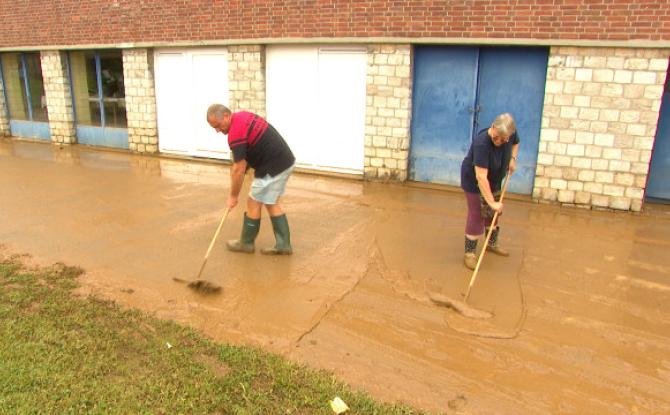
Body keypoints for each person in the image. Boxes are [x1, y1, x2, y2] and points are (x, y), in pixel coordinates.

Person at [206, 104, 296, 255]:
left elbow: (238, 169)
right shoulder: (242, 117)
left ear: (227, 116)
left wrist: (233, 196)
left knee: (254, 202)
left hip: (273, 166)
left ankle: (246, 243)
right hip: (284, 161)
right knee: (270, 201)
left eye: (218, 126)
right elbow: (247, 154)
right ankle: (283, 245)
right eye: (214, 128)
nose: (217, 130)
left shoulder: (235, 132)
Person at [460, 113, 519, 270]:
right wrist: (491, 202)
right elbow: (481, 177)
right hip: (474, 180)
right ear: (493, 127)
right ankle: (470, 253)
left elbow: (516, 143)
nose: (499, 142)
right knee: (478, 213)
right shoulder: (482, 144)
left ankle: (491, 244)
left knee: (493, 214)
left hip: (494, 178)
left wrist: (513, 159)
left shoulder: (509, 134)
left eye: (504, 139)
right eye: (497, 137)